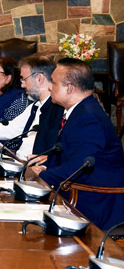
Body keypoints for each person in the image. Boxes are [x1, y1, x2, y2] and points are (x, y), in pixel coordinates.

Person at [29, 58, 124, 230]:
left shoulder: (88, 118)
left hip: (94, 201)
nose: (50, 87)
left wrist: (37, 179)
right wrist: (44, 166)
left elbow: (79, 166)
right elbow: (71, 154)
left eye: (54, 82)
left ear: (69, 88)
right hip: (79, 190)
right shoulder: (82, 110)